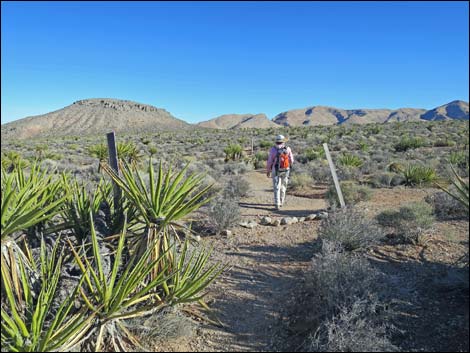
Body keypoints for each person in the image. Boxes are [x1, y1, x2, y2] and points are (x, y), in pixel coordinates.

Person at [266, 134, 294, 210]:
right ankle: (281, 201)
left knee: (276, 187)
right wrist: (289, 167)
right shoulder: (287, 149)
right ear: (283, 141)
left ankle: (277, 203)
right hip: (286, 169)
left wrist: (268, 171)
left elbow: (270, 161)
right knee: (283, 186)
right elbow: (291, 160)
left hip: (276, 169)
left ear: (276, 141)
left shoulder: (273, 149)